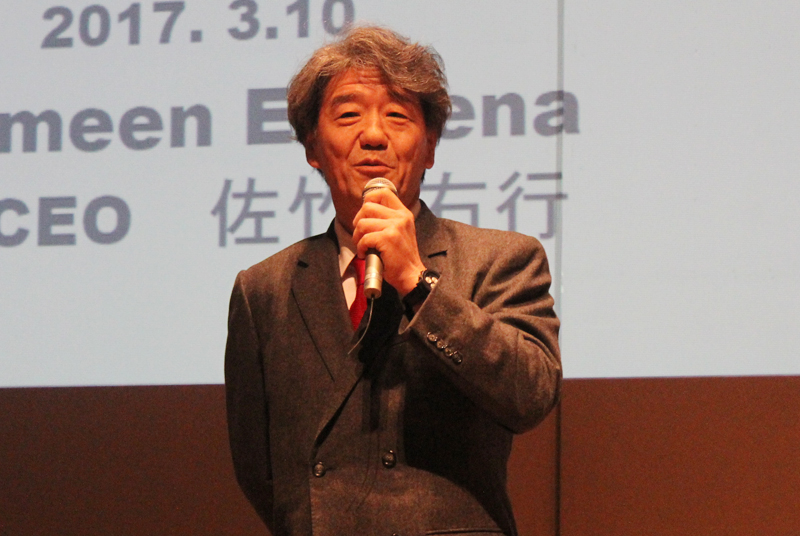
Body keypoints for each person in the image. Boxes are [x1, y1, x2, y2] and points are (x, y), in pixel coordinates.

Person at [225, 25, 561, 536]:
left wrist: (417, 281)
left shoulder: (501, 259)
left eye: (398, 116)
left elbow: (530, 394)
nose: (374, 135)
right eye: (348, 115)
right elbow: (259, 467)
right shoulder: (263, 289)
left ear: (429, 147)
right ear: (313, 147)